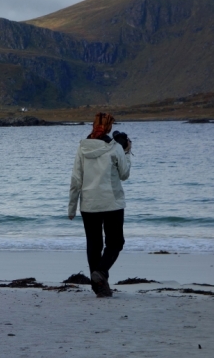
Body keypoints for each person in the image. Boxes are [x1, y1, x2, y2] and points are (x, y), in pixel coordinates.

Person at [68, 112, 132, 297]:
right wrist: (126, 152)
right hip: (112, 202)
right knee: (115, 242)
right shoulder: (115, 148)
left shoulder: (82, 148)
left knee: (94, 245)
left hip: (88, 203)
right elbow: (124, 174)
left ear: (93, 126)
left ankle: (99, 288)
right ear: (110, 128)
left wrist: (71, 207)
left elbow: (75, 179)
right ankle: (101, 273)